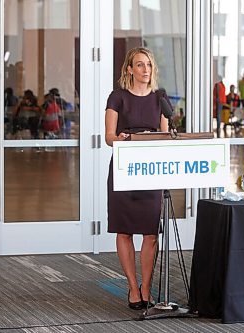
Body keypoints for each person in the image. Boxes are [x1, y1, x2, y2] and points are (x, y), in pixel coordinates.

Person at [104, 47, 169, 310]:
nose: (146, 70)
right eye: (140, 65)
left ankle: (146, 287)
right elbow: (108, 136)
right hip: (124, 166)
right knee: (124, 229)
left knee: (151, 233)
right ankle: (132, 287)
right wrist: (118, 140)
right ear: (129, 69)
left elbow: (167, 136)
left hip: (151, 168)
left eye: (149, 65)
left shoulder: (160, 98)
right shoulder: (117, 97)